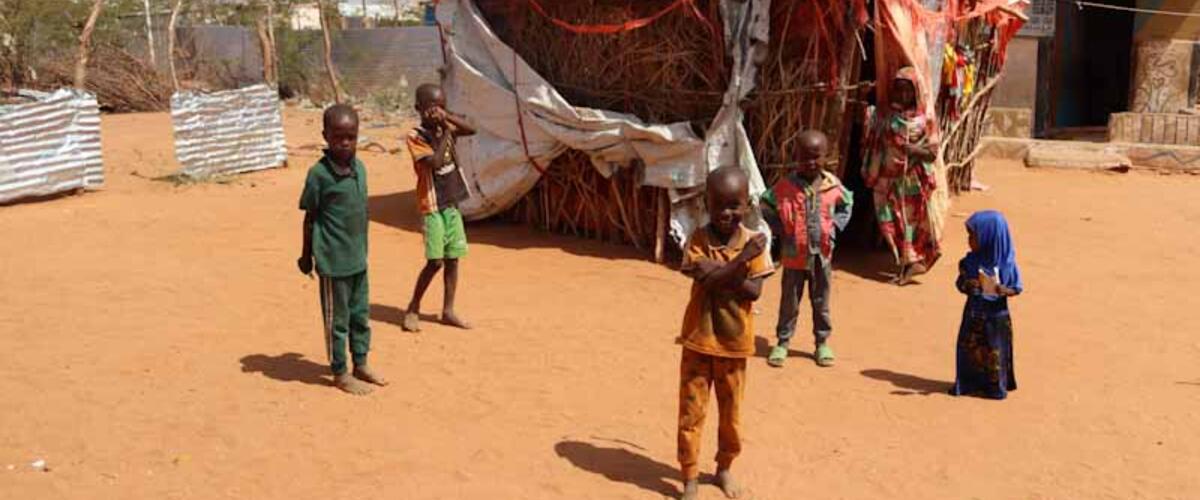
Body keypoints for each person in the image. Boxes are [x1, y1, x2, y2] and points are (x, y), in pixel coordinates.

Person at [676, 166, 774, 500]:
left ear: (748, 205)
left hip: (734, 347)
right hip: (698, 342)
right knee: (691, 414)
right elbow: (707, 279)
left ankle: (724, 469)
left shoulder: (754, 244)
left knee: (730, 418)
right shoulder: (698, 241)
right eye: (719, 205)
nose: (726, 213)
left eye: (734, 205)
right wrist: (740, 263)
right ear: (706, 203)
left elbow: (753, 292)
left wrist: (722, 271)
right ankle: (689, 476)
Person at [298, 104, 388, 395]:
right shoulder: (319, 175)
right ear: (325, 135)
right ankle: (340, 371)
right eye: (338, 137)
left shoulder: (360, 168)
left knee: (360, 316)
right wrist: (306, 255)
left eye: (351, 136)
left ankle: (360, 362)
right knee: (337, 321)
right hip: (333, 262)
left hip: (358, 259)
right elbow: (310, 217)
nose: (345, 143)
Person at [761, 130, 853, 368]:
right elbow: (765, 203)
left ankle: (822, 342)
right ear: (796, 157)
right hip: (793, 256)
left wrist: (834, 229)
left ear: (826, 156)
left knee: (821, 301)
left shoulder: (833, 186)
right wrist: (780, 228)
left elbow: (847, 204)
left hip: (822, 255)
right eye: (804, 157)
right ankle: (782, 342)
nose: (810, 162)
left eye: (816, 156)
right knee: (789, 301)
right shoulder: (785, 187)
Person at [402, 83, 477, 332]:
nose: (436, 113)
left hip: (451, 201)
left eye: (441, 107)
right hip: (432, 205)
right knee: (435, 261)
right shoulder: (416, 136)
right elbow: (433, 163)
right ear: (418, 109)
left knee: (453, 258)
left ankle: (448, 310)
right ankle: (413, 307)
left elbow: (472, 129)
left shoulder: (445, 127)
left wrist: (448, 119)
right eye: (431, 108)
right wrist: (446, 130)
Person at [863, 66, 941, 285]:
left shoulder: (924, 121)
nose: (902, 95)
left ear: (915, 92)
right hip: (887, 179)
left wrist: (913, 150)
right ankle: (904, 261)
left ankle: (910, 263)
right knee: (889, 221)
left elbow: (932, 153)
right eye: (898, 90)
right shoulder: (886, 116)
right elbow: (874, 138)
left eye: (907, 91)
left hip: (912, 181)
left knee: (910, 224)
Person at [952, 210, 1021, 400]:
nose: (969, 240)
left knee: (994, 353)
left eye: (973, 236)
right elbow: (960, 283)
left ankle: (995, 387)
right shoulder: (970, 262)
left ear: (989, 237)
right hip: (973, 314)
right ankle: (967, 383)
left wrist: (1003, 290)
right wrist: (968, 284)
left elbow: (1017, 288)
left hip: (996, 318)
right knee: (969, 350)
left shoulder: (1007, 264)